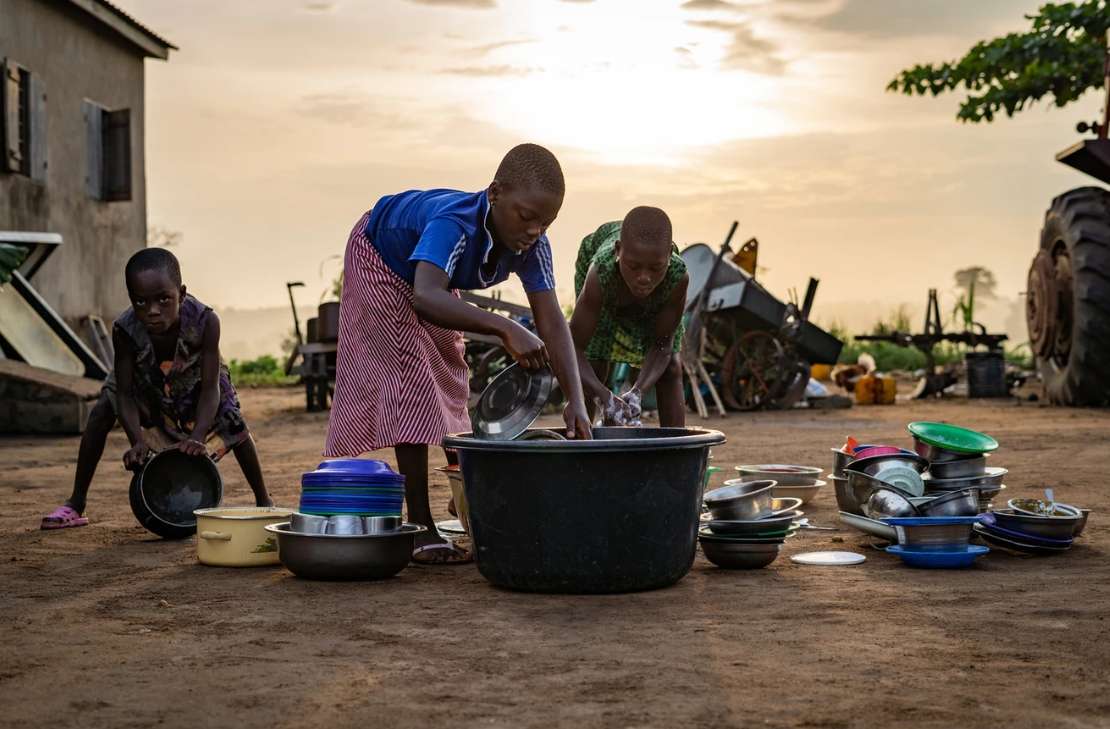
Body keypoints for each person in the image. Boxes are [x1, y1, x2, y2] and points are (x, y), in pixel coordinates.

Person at [324, 143, 591, 565]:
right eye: (526, 217)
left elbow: (552, 320)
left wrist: (576, 401)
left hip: (426, 279)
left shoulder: (532, 245)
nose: (534, 230)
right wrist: (505, 328)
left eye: (546, 222)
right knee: (409, 379)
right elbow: (426, 297)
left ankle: (463, 494)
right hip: (379, 256)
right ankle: (419, 527)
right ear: (495, 192)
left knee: (450, 368)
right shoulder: (454, 223)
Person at [40, 249, 273, 529]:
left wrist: (198, 435)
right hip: (145, 379)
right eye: (141, 302)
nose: (152, 311)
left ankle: (265, 504)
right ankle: (75, 503)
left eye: (164, 299)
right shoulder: (125, 330)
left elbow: (211, 387)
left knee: (233, 421)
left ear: (182, 294)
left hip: (198, 379)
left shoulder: (205, 322)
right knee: (103, 408)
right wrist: (136, 440)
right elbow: (124, 393)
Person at [570, 206, 689, 427]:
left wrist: (637, 393)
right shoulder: (600, 273)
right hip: (605, 281)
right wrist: (603, 396)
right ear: (618, 251)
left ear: (669, 258)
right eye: (633, 266)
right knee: (595, 359)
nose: (644, 278)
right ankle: (579, 445)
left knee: (671, 366)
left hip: (656, 301)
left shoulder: (677, 277)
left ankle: (676, 450)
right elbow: (574, 348)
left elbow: (662, 345)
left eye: (655, 268)